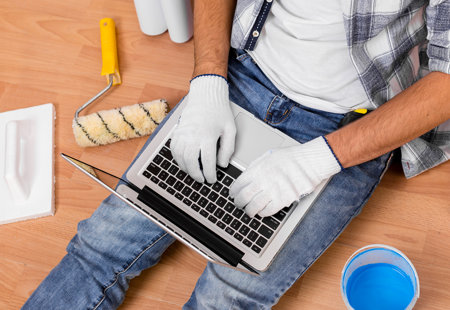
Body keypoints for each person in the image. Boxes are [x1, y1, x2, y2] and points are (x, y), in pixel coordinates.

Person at [23, 0, 449, 309]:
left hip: (350, 121)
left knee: (226, 299)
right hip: (243, 73)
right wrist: (208, 82)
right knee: (98, 249)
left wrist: (315, 161)